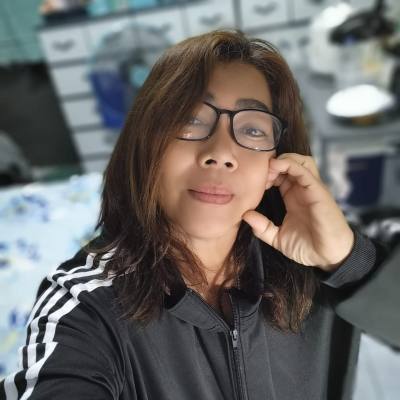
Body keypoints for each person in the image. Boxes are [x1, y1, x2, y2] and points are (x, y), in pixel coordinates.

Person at [0, 29, 392, 400]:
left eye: (253, 129)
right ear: (146, 141)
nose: (220, 153)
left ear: (278, 159)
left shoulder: (325, 255)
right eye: (190, 119)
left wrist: (348, 261)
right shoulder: (85, 306)